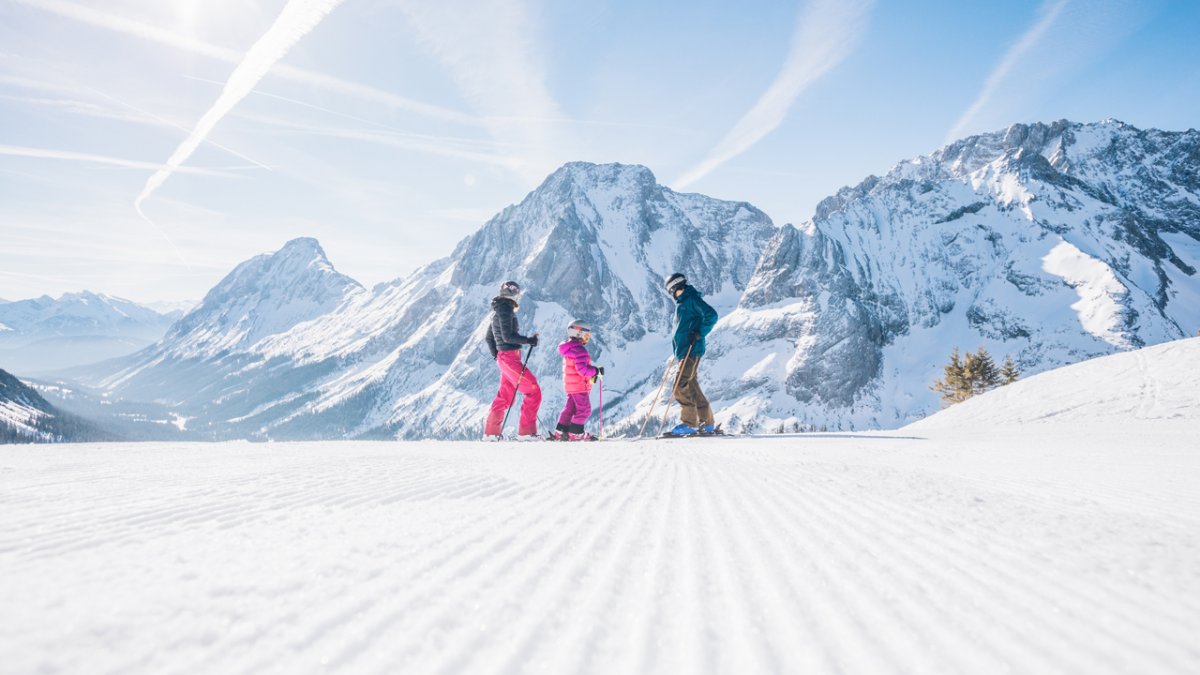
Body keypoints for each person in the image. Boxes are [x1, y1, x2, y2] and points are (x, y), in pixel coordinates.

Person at [483, 280, 542, 439]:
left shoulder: (499, 310)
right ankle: (527, 433)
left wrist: (498, 356)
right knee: (533, 391)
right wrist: (528, 340)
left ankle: (491, 434)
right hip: (509, 358)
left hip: (506, 359)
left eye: (517, 289)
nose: (515, 292)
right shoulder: (505, 310)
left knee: (504, 396)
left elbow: (489, 338)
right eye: (513, 289)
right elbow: (508, 337)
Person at [664, 272, 718, 436]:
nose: (673, 295)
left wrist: (699, 333)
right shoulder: (683, 303)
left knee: (679, 385)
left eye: (672, 291)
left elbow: (712, 315)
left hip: (691, 350)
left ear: (676, 288)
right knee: (692, 386)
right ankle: (707, 423)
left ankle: (689, 423)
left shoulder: (691, 299)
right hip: (684, 351)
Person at [553, 320, 604, 441]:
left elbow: (576, 370)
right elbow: (582, 370)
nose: (587, 338)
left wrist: (591, 374)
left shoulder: (569, 349)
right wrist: (596, 371)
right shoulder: (580, 350)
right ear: (579, 333)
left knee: (570, 409)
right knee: (584, 409)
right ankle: (576, 433)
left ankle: (561, 431)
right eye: (586, 335)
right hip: (579, 386)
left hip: (571, 386)